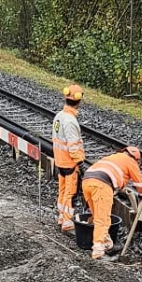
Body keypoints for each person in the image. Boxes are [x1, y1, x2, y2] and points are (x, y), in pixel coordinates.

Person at [81, 145, 142, 260]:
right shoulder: (130, 161)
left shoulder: (114, 157)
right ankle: (98, 251)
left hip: (87, 181)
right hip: (102, 185)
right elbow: (140, 184)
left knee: (98, 215)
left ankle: (107, 244)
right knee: (102, 218)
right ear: (136, 159)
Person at [52, 82, 86, 233]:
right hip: (69, 163)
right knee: (71, 193)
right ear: (78, 101)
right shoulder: (70, 121)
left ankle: (61, 216)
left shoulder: (59, 116)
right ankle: (67, 222)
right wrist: (80, 163)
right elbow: (73, 146)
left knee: (63, 190)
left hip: (60, 160)